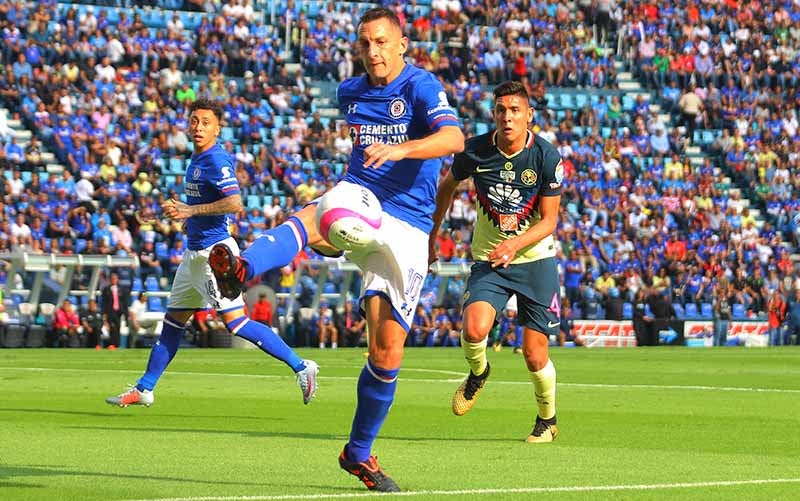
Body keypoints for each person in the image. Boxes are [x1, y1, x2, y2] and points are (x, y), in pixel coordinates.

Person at [208, 7, 463, 491]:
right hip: (362, 200)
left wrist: (402, 149)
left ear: (402, 44)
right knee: (319, 210)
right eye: (365, 43)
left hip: (408, 224)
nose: (373, 52)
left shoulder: (420, 86)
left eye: (383, 42)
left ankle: (358, 453)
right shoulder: (352, 91)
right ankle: (242, 266)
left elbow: (452, 137)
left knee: (386, 354)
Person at [105, 98, 318, 409]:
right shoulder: (197, 159)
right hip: (193, 256)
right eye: (194, 121)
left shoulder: (217, 160)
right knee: (173, 322)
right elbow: (200, 209)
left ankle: (302, 367)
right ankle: (145, 388)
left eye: (205, 122)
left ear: (218, 128)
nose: (198, 127)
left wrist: (190, 210)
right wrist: (178, 211)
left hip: (214, 256)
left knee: (236, 323)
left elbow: (235, 203)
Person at [430, 80, 563, 443]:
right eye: (501, 110)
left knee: (535, 355)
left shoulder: (547, 157)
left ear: (529, 116)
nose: (508, 117)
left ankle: (547, 420)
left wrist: (515, 244)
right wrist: (431, 238)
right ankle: (478, 372)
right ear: (494, 114)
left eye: (515, 110)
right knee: (474, 330)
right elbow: (446, 189)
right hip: (491, 260)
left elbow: (550, 221)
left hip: (535, 260)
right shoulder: (475, 151)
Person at [101, 272, 129, 350]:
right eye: (112, 279)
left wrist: (125, 313)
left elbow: (124, 302)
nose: (113, 280)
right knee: (111, 327)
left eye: (115, 279)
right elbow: (104, 302)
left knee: (117, 327)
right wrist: (104, 313)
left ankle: (117, 344)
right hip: (110, 311)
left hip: (118, 311)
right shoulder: (106, 289)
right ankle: (112, 344)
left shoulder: (121, 289)